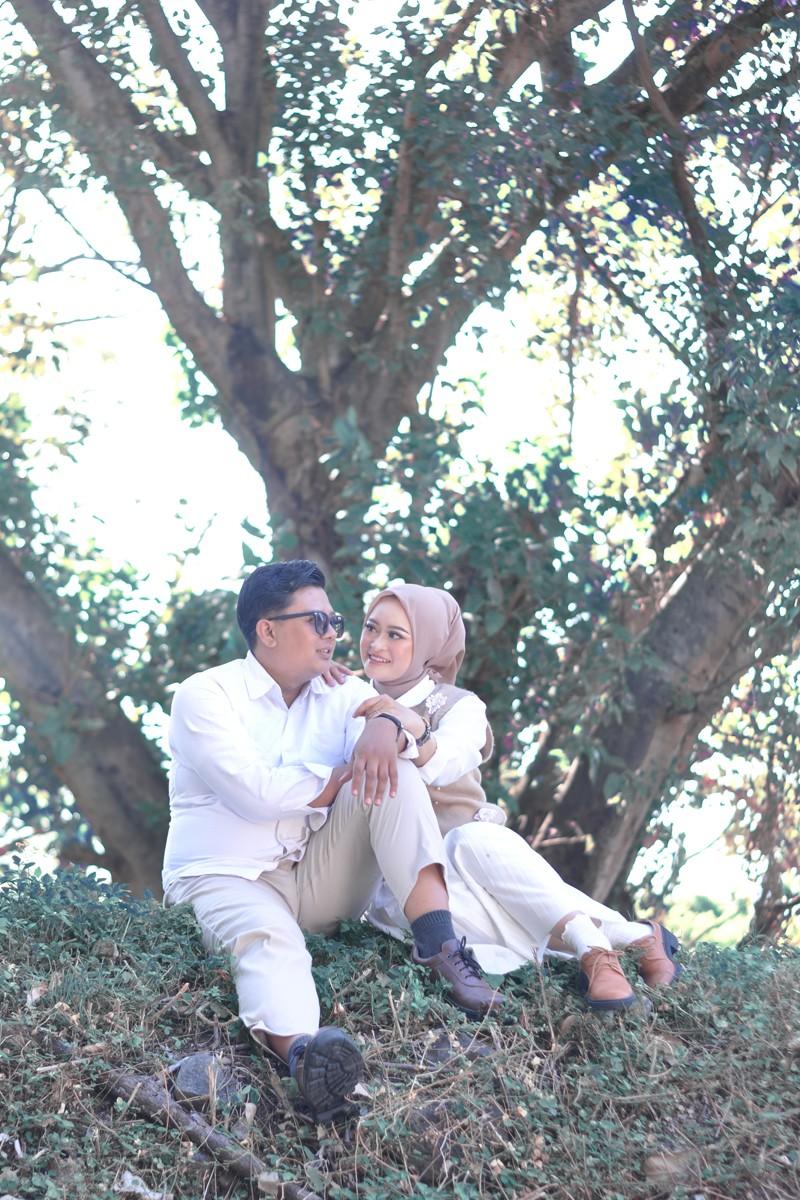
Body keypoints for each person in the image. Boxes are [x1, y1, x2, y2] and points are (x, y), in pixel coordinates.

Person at [162, 561, 502, 1123]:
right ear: (268, 630)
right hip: (224, 874)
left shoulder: (341, 693)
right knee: (271, 939)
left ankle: (440, 945)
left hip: (314, 878)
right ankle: (305, 1056)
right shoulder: (205, 694)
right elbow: (256, 793)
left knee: (394, 772)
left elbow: (404, 729)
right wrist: (341, 774)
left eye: (336, 622)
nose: (333, 634)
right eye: (317, 621)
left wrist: (386, 726)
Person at [353, 583, 683, 1011]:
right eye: (370, 628)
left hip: (476, 860)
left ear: (430, 644)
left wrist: (405, 726)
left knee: (471, 841)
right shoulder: (346, 701)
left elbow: (447, 760)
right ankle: (634, 937)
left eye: (395, 634)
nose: (376, 644)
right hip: (416, 882)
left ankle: (595, 952)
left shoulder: (459, 706)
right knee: (410, 912)